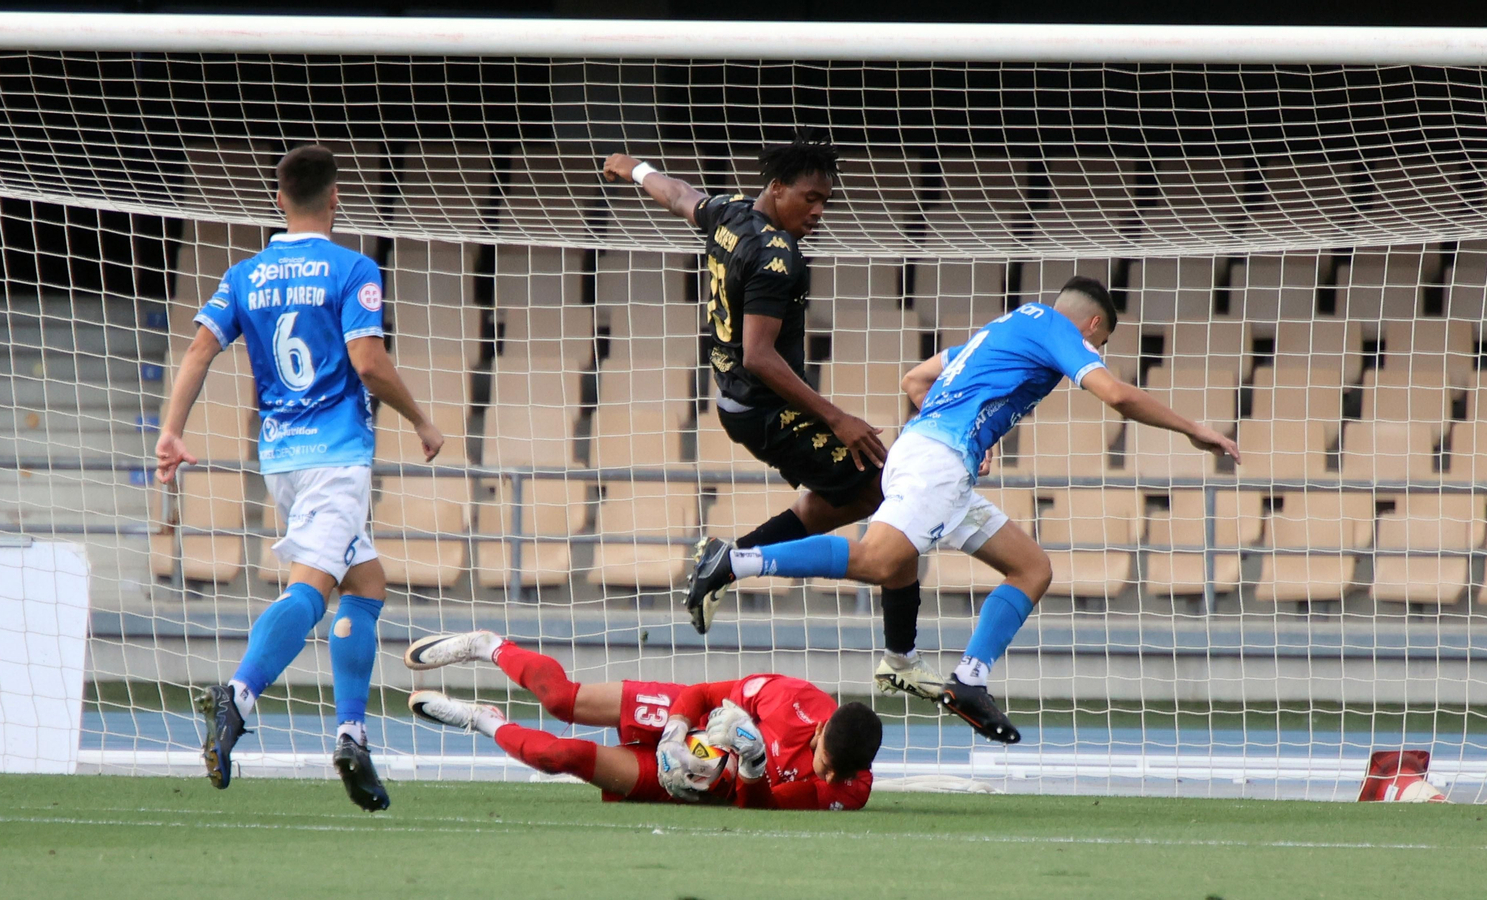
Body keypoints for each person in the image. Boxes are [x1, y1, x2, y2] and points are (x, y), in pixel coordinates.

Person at [684, 277, 1241, 743]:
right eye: (1101, 344)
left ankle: (967, 678)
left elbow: (916, 380)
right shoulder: (1056, 329)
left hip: (931, 453)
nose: (1097, 353)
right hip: (938, 463)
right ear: (1093, 327)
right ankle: (736, 562)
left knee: (1032, 568)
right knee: (880, 560)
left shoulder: (1002, 327)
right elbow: (1116, 395)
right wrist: (1193, 428)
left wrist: (973, 436)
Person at [600, 132, 941, 704]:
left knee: (857, 495)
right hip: (766, 408)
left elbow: (680, 194)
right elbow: (760, 355)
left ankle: (738, 562)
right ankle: (742, 565)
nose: (818, 211)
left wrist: (634, 168)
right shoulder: (778, 257)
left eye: (826, 201)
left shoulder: (730, 214)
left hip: (737, 402)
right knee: (889, 487)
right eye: (810, 198)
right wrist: (837, 417)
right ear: (777, 188)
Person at [155, 144, 445, 811]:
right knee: (313, 587)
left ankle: (351, 736)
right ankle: (239, 695)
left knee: (365, 583)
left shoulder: (246, 273)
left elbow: (199, 349)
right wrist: (424, 421)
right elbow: (367, 362)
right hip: (336, 458)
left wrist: (172, 430)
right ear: (336, 197)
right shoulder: (353, 268)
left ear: (279, 200)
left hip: (280, 457)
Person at [404, 630, 882, 810]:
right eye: (825, 762)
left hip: (699, 779)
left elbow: (758, 809)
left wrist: (753, 763)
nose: (830, 776)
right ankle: (487, 646)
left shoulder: (847, 788)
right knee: (560, 701)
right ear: (820, 729)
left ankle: (482, 720)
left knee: (559, 755)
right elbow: (699, 693)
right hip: (687, 720)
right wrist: (676, 733)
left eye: (841, 773)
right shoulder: (786, 698)